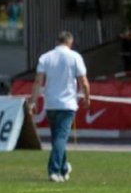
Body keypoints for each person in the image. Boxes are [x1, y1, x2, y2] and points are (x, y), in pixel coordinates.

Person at [29, 31, 91, 183]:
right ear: (70, 42)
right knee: (61, 139)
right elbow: (83, 81)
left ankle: (64, 168)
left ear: (58, 41)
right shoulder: (75, 57)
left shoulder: (46, 57)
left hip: (51, 104)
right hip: (67, 104)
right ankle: (54, 170)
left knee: (57, 138)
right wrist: (87, 97)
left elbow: (38, 81)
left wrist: (33, 100)